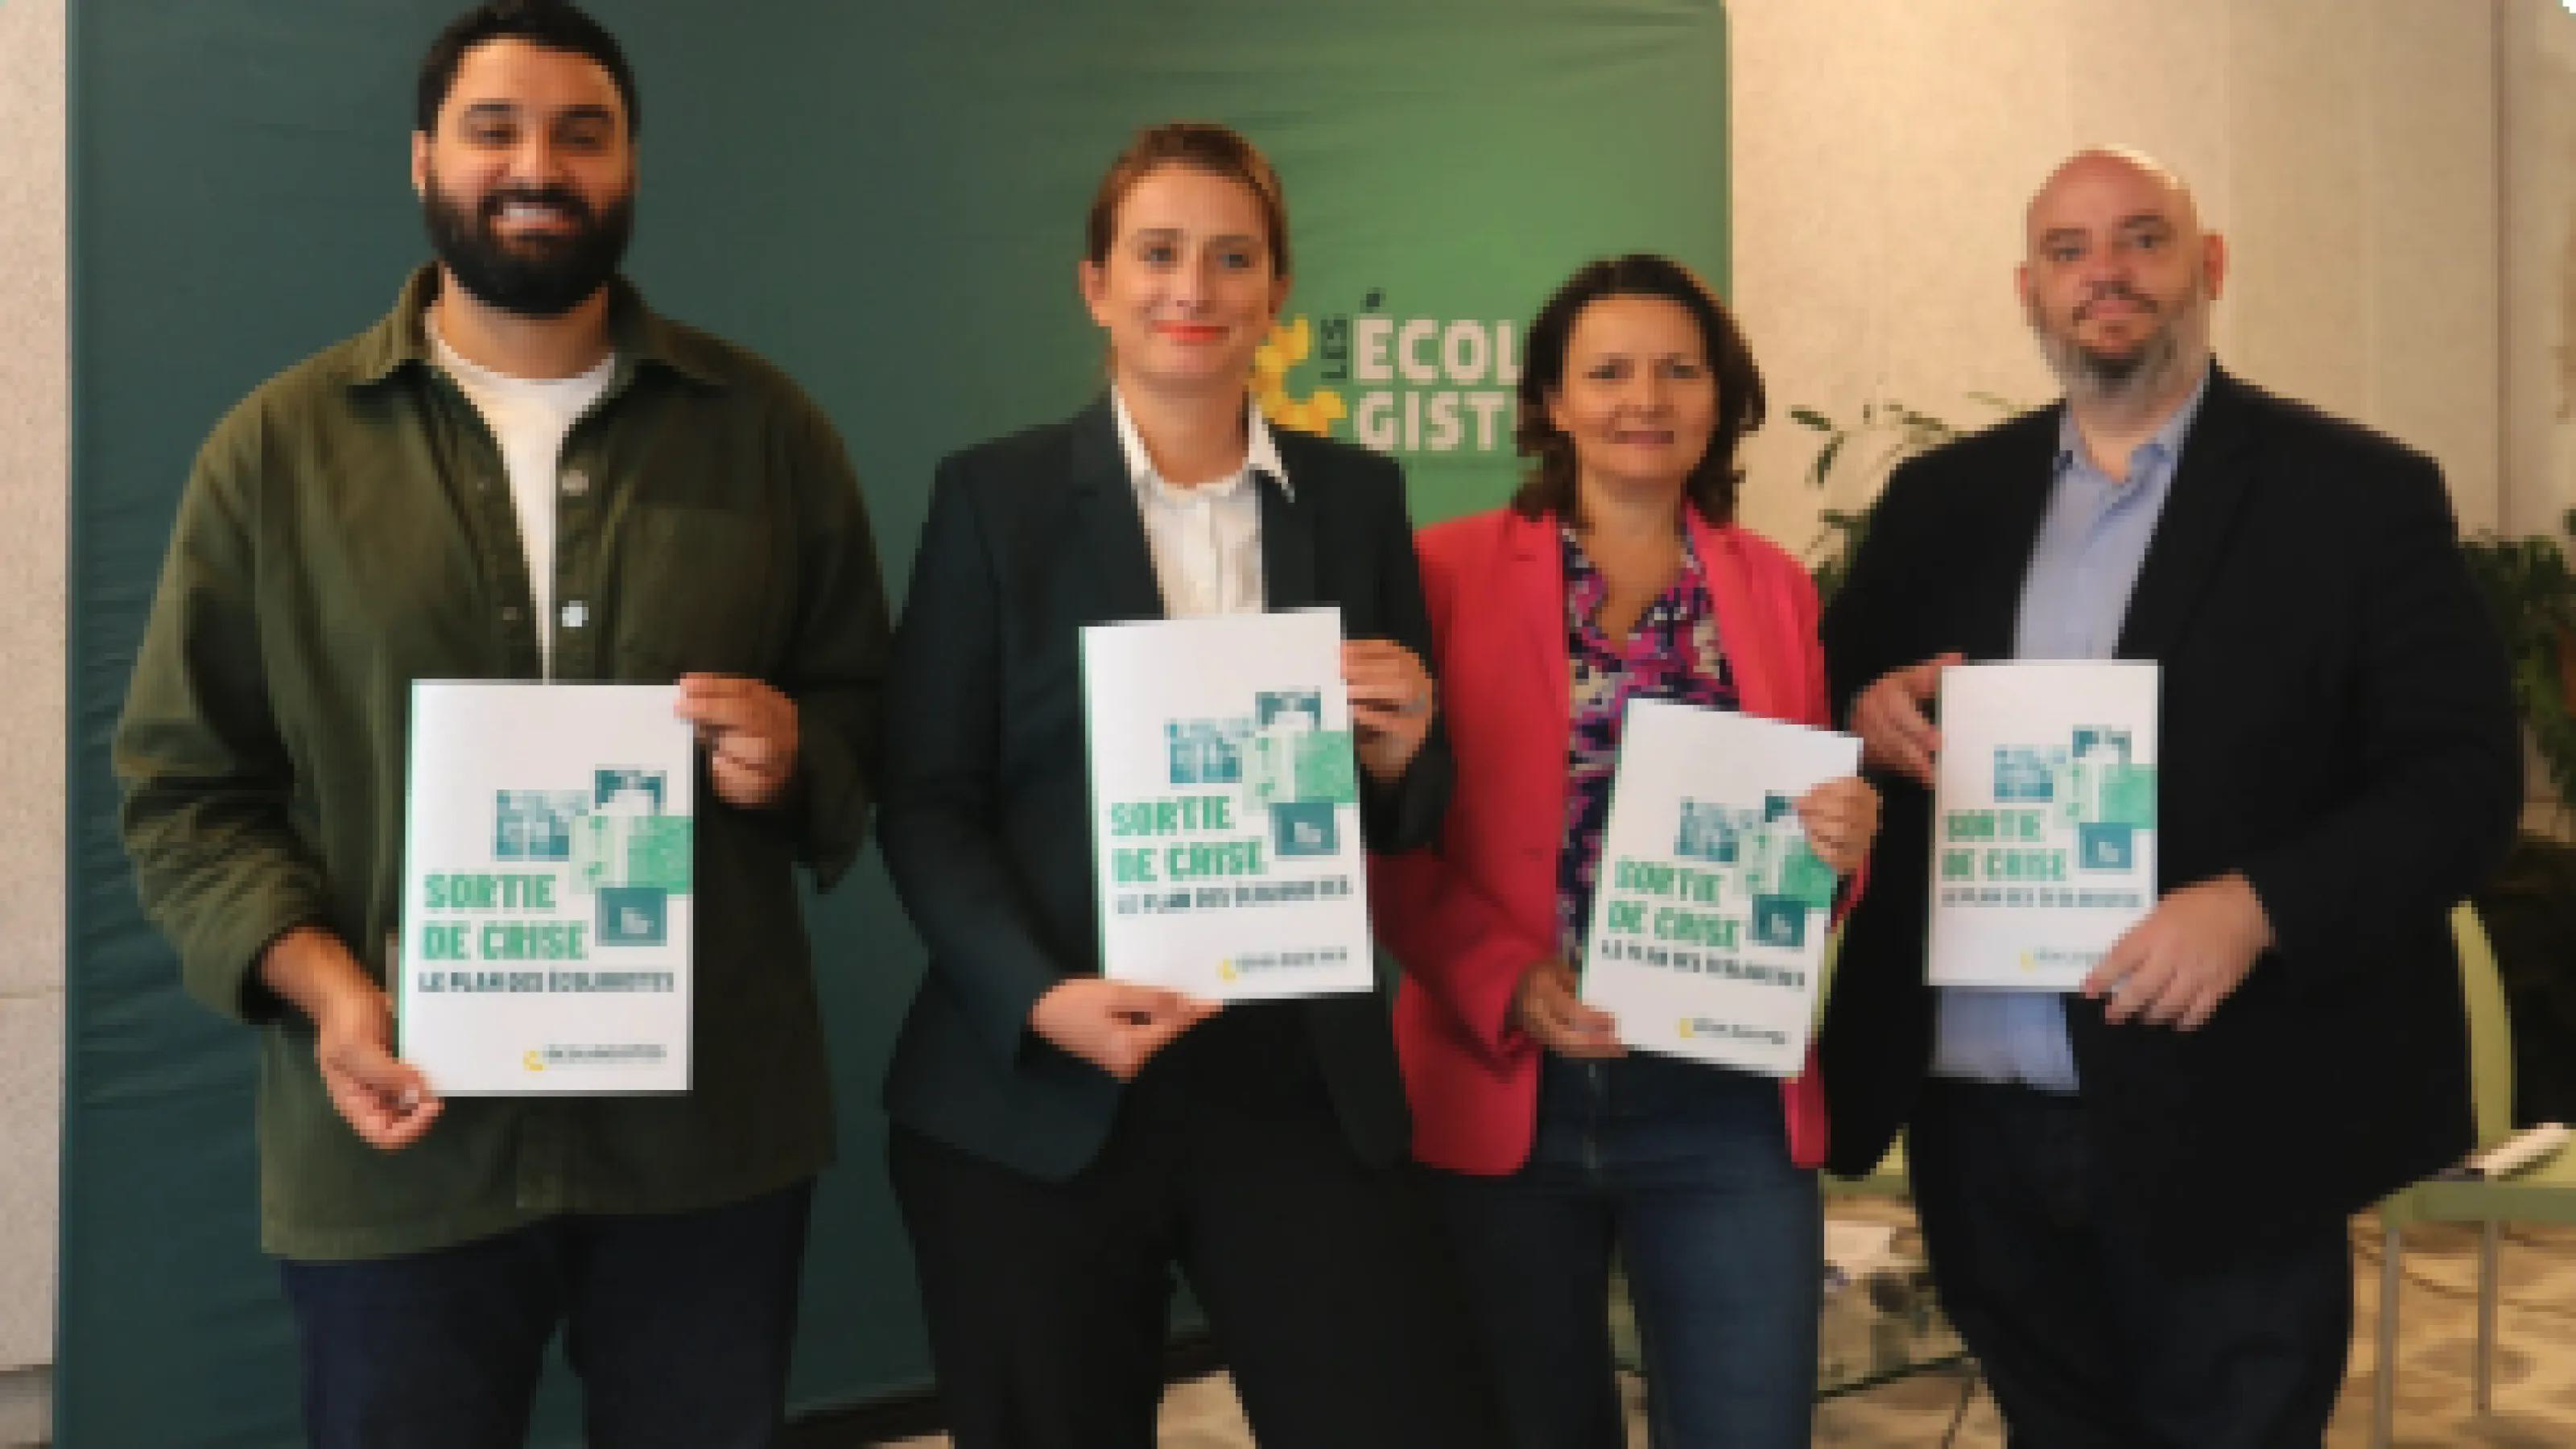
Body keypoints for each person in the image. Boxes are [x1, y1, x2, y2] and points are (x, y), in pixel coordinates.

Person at [111, 3, 890, 1444]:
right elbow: (186, 793)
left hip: (703, 1144)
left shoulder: (766, 431)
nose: (538, 166)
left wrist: (798, 756)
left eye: (581, 135)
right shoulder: (275, 452)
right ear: (424, 160)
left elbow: (866, 714)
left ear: (630, 168)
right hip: (396, 1141)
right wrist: (326, 989)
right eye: (495, 130)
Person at [1817, 147, 2523, 1446]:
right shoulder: (1939, 502)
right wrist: (1862, 714)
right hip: (1980, 1130)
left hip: (2235, 1118)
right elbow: (1832, 710)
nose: (2107, 273)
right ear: (2028, 289)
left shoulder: (2356, 496)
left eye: (2142, 238)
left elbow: (2463, 782)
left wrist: (2257, 908)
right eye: (2070, 251)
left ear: (2210, 265)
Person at [877, 120, 1504, 1449]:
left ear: (1276, 293)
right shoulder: (995, 498)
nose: (1194, 288)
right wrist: (1041, 997)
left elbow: (1408, 799)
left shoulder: (1355, 498)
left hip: (1295, 1079)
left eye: (1233, 258)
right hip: (1042, 1084)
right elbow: (925, 799)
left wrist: (1402, 747)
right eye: (1157, 254)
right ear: (1095, 285)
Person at [1370, 253, 1880, 1449]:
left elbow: (1812, 846)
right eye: (1607, 372)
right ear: (1551, 400)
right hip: (1504, 1082)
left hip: (1724, 1099)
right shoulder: (1442, 571)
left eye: (1678, 370)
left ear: (1720, 396)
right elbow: (1386, 834)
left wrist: (1842, 849)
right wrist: (1503, 979)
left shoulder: (1774, 587)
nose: (1643, 399)